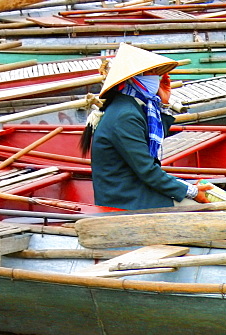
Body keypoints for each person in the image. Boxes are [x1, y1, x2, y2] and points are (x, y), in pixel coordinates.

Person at [81, 43, 212, 210]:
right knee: (203, 208)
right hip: (126, 197)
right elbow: (147, 170)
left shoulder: (133, 106)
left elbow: (151, 139)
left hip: (138, 186)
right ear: (135, 78)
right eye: (151, 73)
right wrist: (191, 192)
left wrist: (164, 105)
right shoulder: (125, 115)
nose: (155, 79)